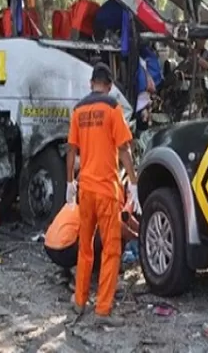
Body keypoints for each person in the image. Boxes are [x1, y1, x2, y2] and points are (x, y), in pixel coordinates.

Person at [66, 62, 138, 326]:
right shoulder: (112, 107)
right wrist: (133, 181)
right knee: (110, 250)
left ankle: (79, 301)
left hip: (85, 191)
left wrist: (69, 183)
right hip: (107, 191)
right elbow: (124, 149)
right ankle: (103, 309)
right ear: (109, 85)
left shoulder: (78, 111)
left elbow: (71, 150)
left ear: (91, 83)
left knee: (84, 248)